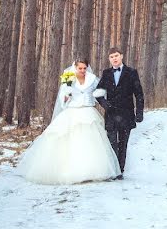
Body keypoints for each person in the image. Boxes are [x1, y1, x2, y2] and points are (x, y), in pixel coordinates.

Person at [17, 58, 121, 184]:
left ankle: (92, 170)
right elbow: (63, 99)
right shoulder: (69, 79)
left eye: (84, 68)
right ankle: (70, 171)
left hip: (88, 112)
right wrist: (67, 94)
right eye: (80, 68)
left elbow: (100, 92)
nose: (82, 71)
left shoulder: (92, 79)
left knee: (90, 142)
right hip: (72, 111)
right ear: (75, 68)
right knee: (70, 141)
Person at [95, 47, 144, 180]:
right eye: (111, 57)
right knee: (112, 143)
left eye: (116, 55)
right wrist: (104, 104)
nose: (114, 59)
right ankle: (113, 169)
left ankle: (120, 170)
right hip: (111, 114)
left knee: (123, 144)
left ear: (121, 56)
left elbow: (138, 94)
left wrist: (139, 113)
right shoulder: (106, 73)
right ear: (109, 59)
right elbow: (97, 93)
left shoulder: (132, 72)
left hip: (127, 114)